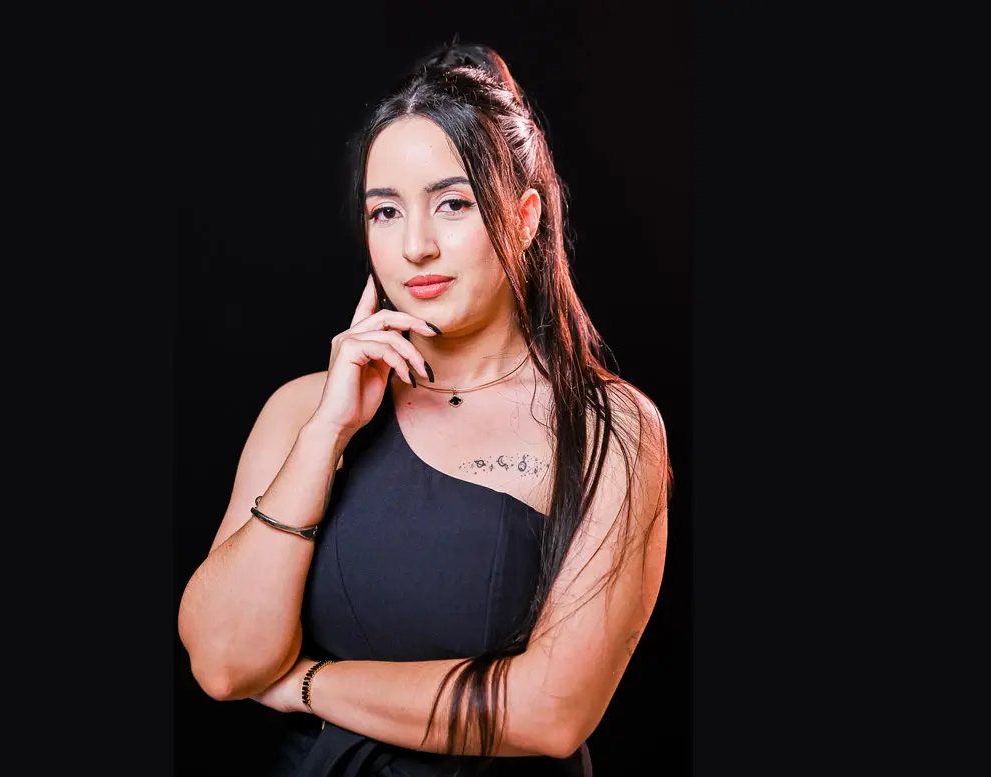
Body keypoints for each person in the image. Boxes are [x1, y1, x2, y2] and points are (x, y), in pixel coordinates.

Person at [177, 40, 671, 776]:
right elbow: (222, 663)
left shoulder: (609, 428)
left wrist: (309, 685)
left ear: (525, 217)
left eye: (453, 204)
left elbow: (551, 713)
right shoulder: (303, 409)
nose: (415, 246)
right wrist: (327, 433)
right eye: (385, 211)